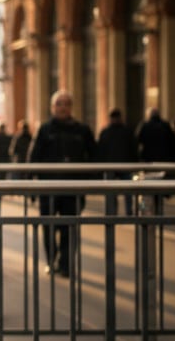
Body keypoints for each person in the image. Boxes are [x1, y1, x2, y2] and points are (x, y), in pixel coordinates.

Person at [27, 89, 95, 277]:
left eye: (66, 103)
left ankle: (66, 264)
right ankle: (51, 260)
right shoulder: (44, 130)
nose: (63, 107)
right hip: (48, 188)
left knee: (70, 229)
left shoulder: (82, 130)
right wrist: (31, 186)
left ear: (71, 107)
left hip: (73, 189)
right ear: (52, 107)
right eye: (59, 103)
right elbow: (33, 157)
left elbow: (94, 157)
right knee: (48, 227)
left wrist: (88, 183)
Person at [96, 107, 138, 214]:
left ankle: (112, 212)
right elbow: (133, 149)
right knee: (127, 191)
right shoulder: (127, 131)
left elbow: (100, 151)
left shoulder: (105, 132)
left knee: (111, 191)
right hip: (125, 165)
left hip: (110, 166)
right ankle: (128, 211)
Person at [136, 108, 175, 179]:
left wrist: (139, 157)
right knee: (164, 181)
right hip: (164, 159)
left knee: (149, 180)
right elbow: (174, 142)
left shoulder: (145, 126)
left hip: (148, 159)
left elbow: (137, 141)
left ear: (149, 115)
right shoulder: (166, 126)